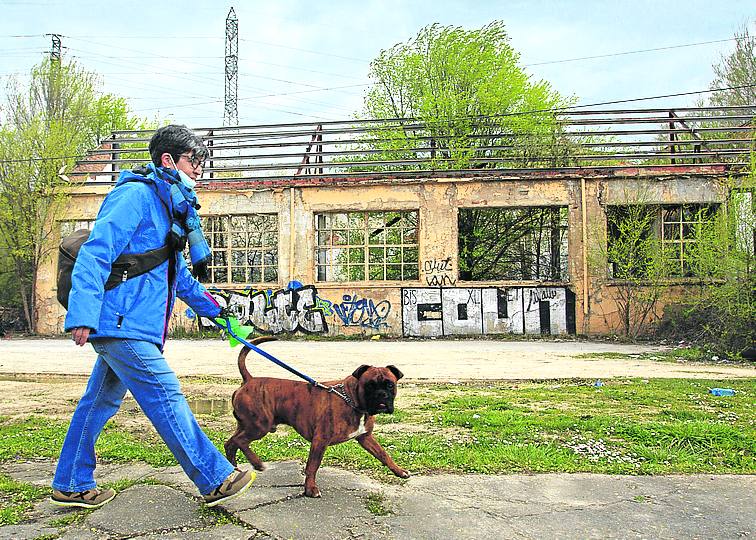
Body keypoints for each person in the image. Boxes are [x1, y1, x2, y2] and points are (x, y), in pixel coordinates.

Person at [51, 124, 253, 509]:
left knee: (98, 403)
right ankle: (214, 478)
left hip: (133, 326)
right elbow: (96, 252)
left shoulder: (169, 208)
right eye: (194, 162)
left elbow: (179, 279)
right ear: (168, 160)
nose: (199, 170)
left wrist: (222, 315)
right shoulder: (134, 197)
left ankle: (71, 483)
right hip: (121, 324)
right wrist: (83, 314)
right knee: (165, 395)